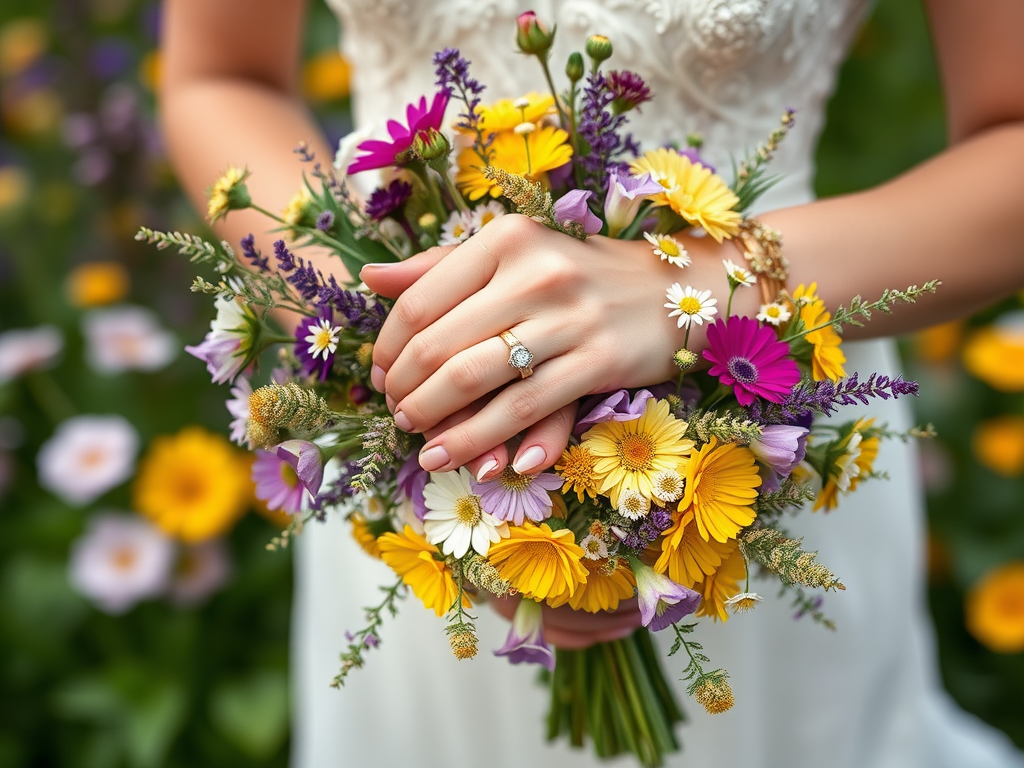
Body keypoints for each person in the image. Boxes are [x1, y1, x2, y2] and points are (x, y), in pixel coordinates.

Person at [160, 1, 1024, 766]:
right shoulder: (415, 391)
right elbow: (219, 74)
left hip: (767, 394)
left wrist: (696, 286)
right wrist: (402, 356)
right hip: (424, 468)